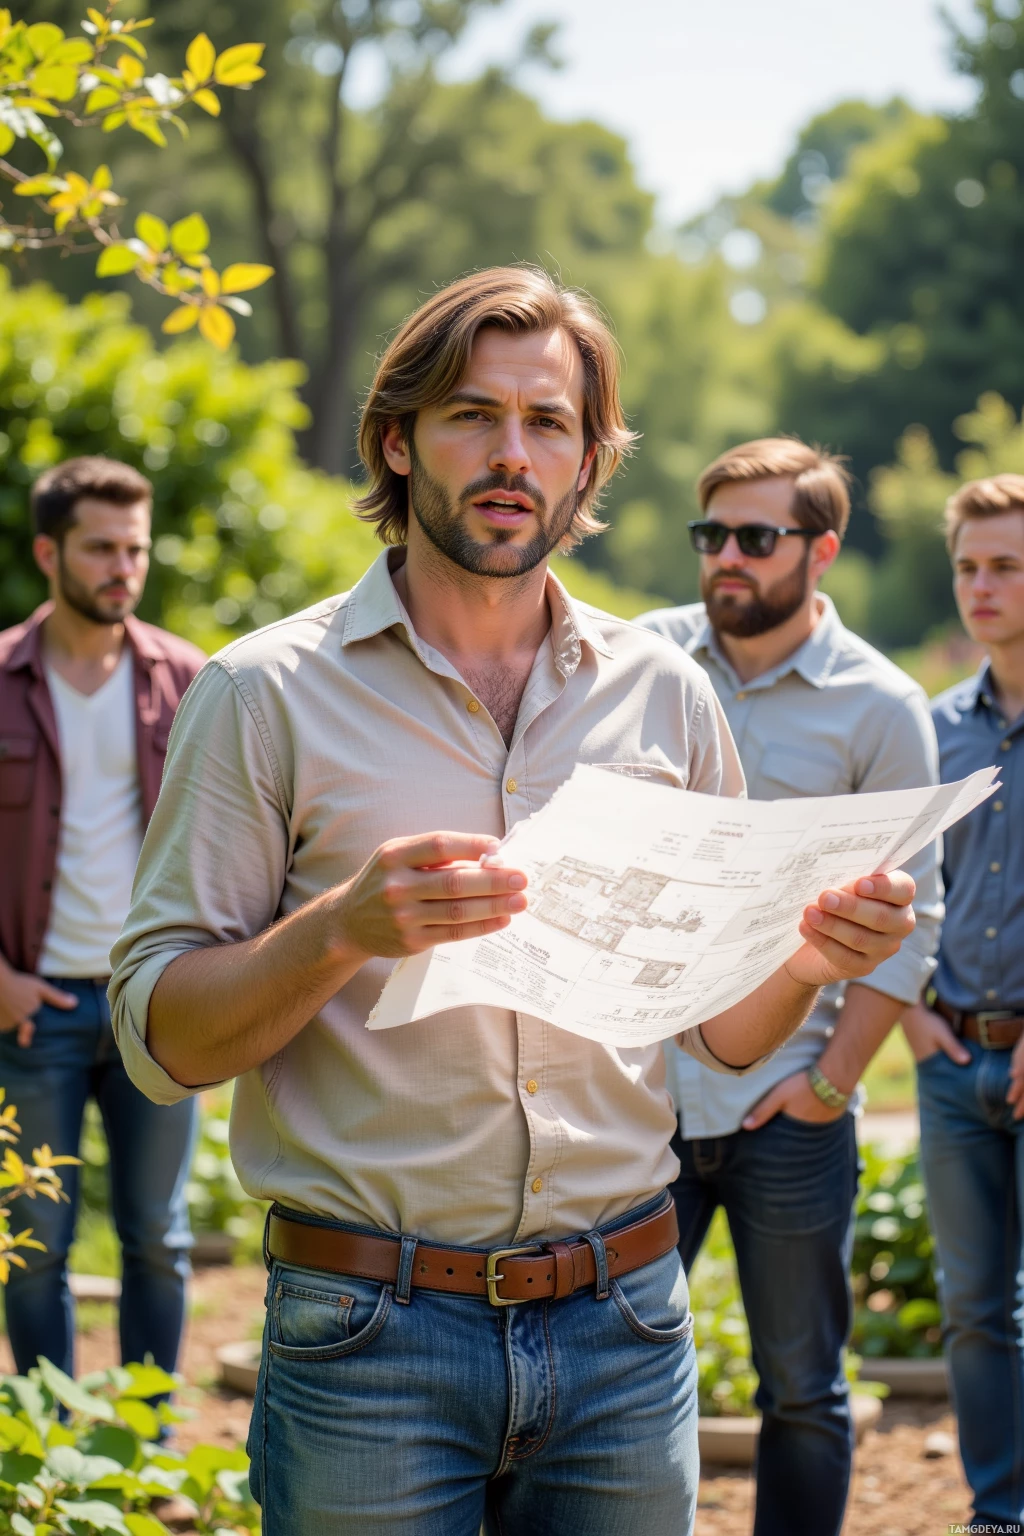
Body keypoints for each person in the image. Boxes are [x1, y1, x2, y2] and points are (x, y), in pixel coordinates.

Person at [109, 268, 916, 1536]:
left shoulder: (663, 694)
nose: (511, 455)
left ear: (589, 461)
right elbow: (160, 1041)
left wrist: (808, 958)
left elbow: (718, 1031)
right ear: (397, 438)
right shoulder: (263, 693)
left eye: (549, 424)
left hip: (626, 1325)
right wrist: (340, 932)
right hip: (370, 1334)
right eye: (472, 415)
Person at [639, 437, 942, 1536]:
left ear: (820, 550)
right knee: (606, 1382)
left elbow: (913, 926)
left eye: (754, 538)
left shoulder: (881, 708)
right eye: (709, 534)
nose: (725, 557)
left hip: (790, 1115)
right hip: (642, 1102)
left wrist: (829, 1081)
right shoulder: (640, 667)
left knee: (803, 1393)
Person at [0, 456, 204, 1380]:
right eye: (100, 549)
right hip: (30, 1010)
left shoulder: (191, 681)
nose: (123, 567)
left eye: (136, 548)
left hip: (151, 1010)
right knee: (34, 1245)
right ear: (49, 551)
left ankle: (146, 1447)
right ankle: (51, 1443)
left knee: (158, 1239)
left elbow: (227, 844)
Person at [901, 473, 1024, 1534]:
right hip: (950, 1063)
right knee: (974, 1311)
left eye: (1005, 567)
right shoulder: (930, 731)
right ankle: (997, 1512)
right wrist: (906, 1016)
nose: (980, 588)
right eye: (967, 567)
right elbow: (892, 889)